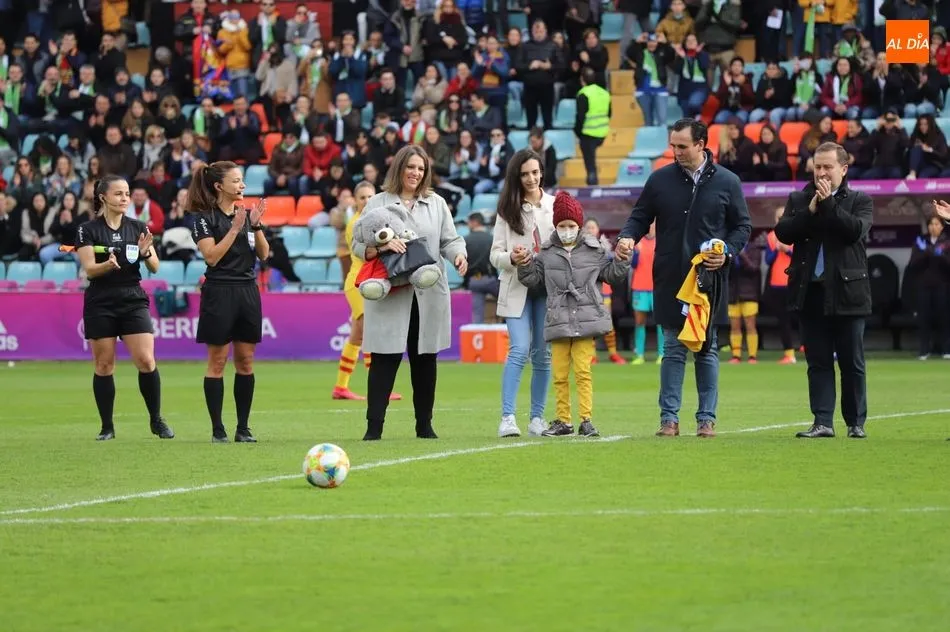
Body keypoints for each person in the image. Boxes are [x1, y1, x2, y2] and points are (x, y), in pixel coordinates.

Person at [616, 118, 751, 438]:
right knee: (673, 346)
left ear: (701, 144)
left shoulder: (728, 182)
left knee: (706, 348)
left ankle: (706, 419)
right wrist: (627, 237)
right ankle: (669, 420)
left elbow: (742, 227)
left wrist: (728, 251)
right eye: (672, 145)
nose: (674, 151)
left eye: (681, 146)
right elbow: (639, 217)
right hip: (670, 278)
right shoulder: (659, 180)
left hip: (708, 280)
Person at [350, 145, 468, 441]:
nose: (416, 173)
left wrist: (458, 255)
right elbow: (357, 244)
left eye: (421, 168)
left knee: (425, 359)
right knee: (383, 360)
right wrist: (379, 248)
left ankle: (424, 426)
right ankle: (373, 427)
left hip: (428, 291)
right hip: (391, 291)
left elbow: (450, 239)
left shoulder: (436, 202)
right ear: (399, 168)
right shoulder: (377, 202)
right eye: (411, 167)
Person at [774, 142, 872, 439]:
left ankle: (856, 423)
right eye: (817, 167)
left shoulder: (860, 200)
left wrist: (828, 204)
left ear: (843, 169)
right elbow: (784, 233)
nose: (821, 173)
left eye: (828, 167)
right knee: (817, 362)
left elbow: (854, 231)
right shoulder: (799, 198)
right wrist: (810, 209)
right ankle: (822, 422)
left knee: (851, 362)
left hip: (848, 294)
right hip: (810, 293)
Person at [517, 192, 630, 437]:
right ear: (555, 226)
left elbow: (611, 275)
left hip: (585, 321)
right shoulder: (546, 253)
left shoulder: (594, 250)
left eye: (571, 225)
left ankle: (586, 420)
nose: (566, 230)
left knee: (582, 372)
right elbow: (534, 280)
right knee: (558, 374)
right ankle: (564, 421)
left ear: (578, 226)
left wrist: (622, 259)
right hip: (558, 320)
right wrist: (524, 263)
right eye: (561, 225)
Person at [76, 175, 174, 441]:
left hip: (132, 298)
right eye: (118, 193)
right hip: (101, 300)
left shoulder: (138, 227)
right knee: (104, 364)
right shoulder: (87, 229)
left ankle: (156, 419)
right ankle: (107, 427)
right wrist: (106, 266)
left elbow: (154, 267)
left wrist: (145, 253)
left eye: (127, 193)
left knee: (146, 360)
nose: (124, 198)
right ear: (103, 197)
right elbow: (90, 270)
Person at [188, 161, 270, 443]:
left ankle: (243, 428)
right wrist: (234, 229)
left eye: (242, 180)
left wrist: (255, 225)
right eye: (236, 181)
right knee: (218, 361)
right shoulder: (202, 218)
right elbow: (210, 257)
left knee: (246, 362)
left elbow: (264, 254)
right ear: (219, 186)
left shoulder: (246, 215)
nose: (242, 185)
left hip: (247, 290)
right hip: (219, 291)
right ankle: (217, 429)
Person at [490, 149, 555, 438]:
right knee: (518, 349)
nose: (531, 178)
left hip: (547, 289)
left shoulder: (555, 205)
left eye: (535, 172)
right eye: (525, 173)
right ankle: (507, 417)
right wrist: (512, 259)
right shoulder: (507, 210)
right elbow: (495, 255)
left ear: (542, 172)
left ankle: (537, 419)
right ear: (517, 176)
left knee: (543, 355)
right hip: (516, 287)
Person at [332, 180, 403, 401]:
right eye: (362, 197)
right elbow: (366, 253)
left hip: (368, 281)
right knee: (368, 331)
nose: (366, 200)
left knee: (357, 334)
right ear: (354, 200)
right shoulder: (357, 224)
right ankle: (379, 387)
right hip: (358, 282)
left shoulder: (374, 220)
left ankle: (341, 387)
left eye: (370, 196)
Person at [906, 214, 950, 360]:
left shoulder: (947, 242)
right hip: (923, 286)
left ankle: (945, 349)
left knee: (943, 318)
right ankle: (924, 350)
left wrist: (940, 255)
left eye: (937, 224)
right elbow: (913, 264)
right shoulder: (921, 241)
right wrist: (926, 252)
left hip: (942, 286)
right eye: (931, 224)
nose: (934, 227)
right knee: (924, 318)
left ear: (942, 227)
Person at [583, 218, 626, 364]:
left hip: (604, 291)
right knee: (591, 324)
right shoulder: (579, 248)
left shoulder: (605, 247)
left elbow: (611, 268)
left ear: (598, 230)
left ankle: (613, 354)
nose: (590, 230)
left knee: (608, 323)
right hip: (588, 290)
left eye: (593, 227)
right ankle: (592, 355)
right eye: (588, 227)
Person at [765, 206, 797, 365]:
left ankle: (808, 347)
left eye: (783, 217)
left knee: (803, 318)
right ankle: (789, 353)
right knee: (783, 320)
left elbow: (803, 256)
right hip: (777, 283)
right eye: (778, 217)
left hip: (795, 282)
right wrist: (778, 250)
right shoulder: (771, 237)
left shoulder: (798, 233)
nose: (780, 220)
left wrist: (788, 250)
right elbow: (767, 260)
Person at [630, 220, 663, 365]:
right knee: (639, 322)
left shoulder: (662, 241)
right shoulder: (638, 242)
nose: (650, 226)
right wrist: (636, 252)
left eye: (653, 223)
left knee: (661, 322)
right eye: (648, 223)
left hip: (658, 288)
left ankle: (662, 354)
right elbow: (633, 264)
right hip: (639, 286)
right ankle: (639, 355)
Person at [727, 238, 764, 364]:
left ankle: (752, 356)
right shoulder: (730, 249)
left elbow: (754, 269)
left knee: (750, 326)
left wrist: (742, 256)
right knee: (734, 327)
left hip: (749, 294)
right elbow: (726, 272)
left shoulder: (754, 249)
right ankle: (736, 355)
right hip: (733, 295)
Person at [574, 67, 611, 186]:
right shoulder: (604, 93)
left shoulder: (583, 94)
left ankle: (592, 186)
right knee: (591, 162)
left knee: (590, 164)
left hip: (588, 134)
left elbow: (580, 117)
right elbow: (610, 114)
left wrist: (577, 132)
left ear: (582, 79)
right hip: (603, 133)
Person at [463, 212, 500, 324]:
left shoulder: (466, 239)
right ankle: (505, 327)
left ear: (474, 222)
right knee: (507, 302)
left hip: (474, 281)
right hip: (491, 280)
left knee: (477, 315)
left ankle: (476, 336)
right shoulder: (491, 239)